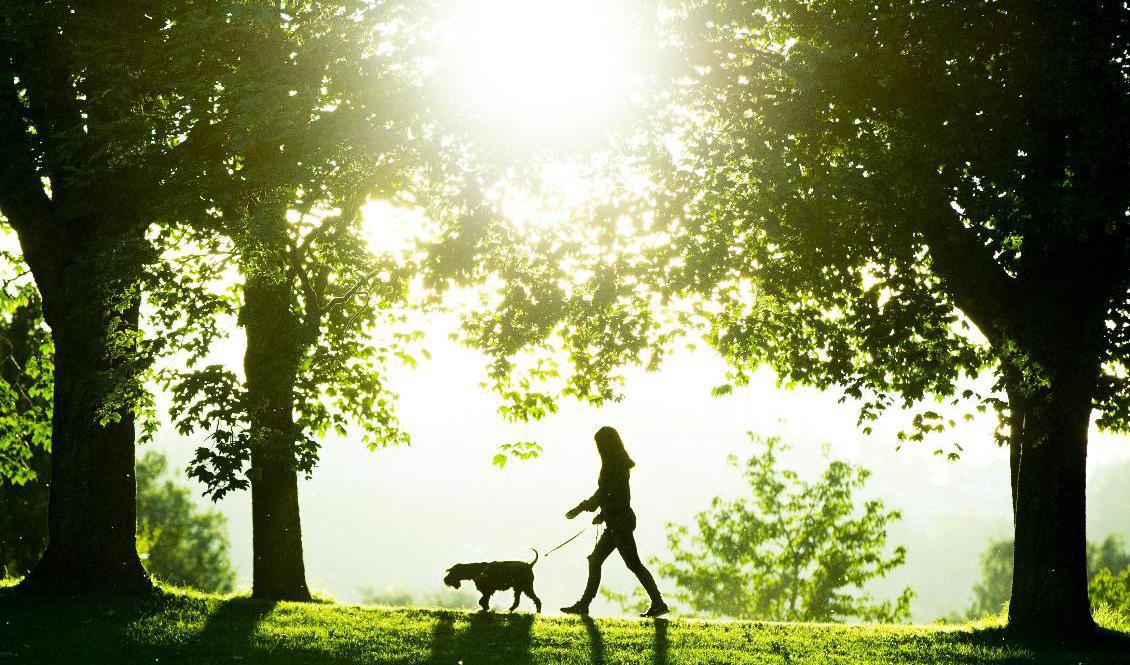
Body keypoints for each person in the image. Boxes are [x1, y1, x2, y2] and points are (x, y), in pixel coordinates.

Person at [560, 426, 669, 617]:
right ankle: (584, 605)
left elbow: (604, 493)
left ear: (606, 444)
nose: (598, 449)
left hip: (620, 523)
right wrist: (603, 515)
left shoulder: (614, 464)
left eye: (599, 444)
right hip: (617, 521)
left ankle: (658, 602)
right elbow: (615, 495)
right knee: (596, 560)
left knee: (632, 564)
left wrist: (580, 508)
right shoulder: (618, 463)